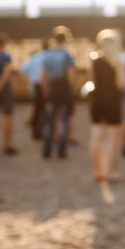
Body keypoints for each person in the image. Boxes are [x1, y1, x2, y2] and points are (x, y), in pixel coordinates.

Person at [89, 29, 125, 182]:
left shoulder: (95, 60)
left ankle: (98, 171)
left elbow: (92, 80)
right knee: (112, 138)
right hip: (112, 100)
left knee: (96, 135)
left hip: (97, 100)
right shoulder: (117, 62)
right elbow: (120, 83)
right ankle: (108, 171)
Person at [41, 26, 76, 159]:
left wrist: (45, 89)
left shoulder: (47, 54)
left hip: (51, 87)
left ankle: (46, 149)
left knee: (49, 119)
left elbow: (42, 74)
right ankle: (61, 149)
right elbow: (70, 75)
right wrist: (71, 89)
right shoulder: (67, 55)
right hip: (63, 88)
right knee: (63, 119)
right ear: (65, 39)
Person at [20, 40, 48, 141]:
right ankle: (44, 132)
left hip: (35, 85)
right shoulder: (48, 57)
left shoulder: (35, 57)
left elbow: (22, 69)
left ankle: (35, 133)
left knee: (36, 109)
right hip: (44, 85)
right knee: (44, 110)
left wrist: (29, 81)